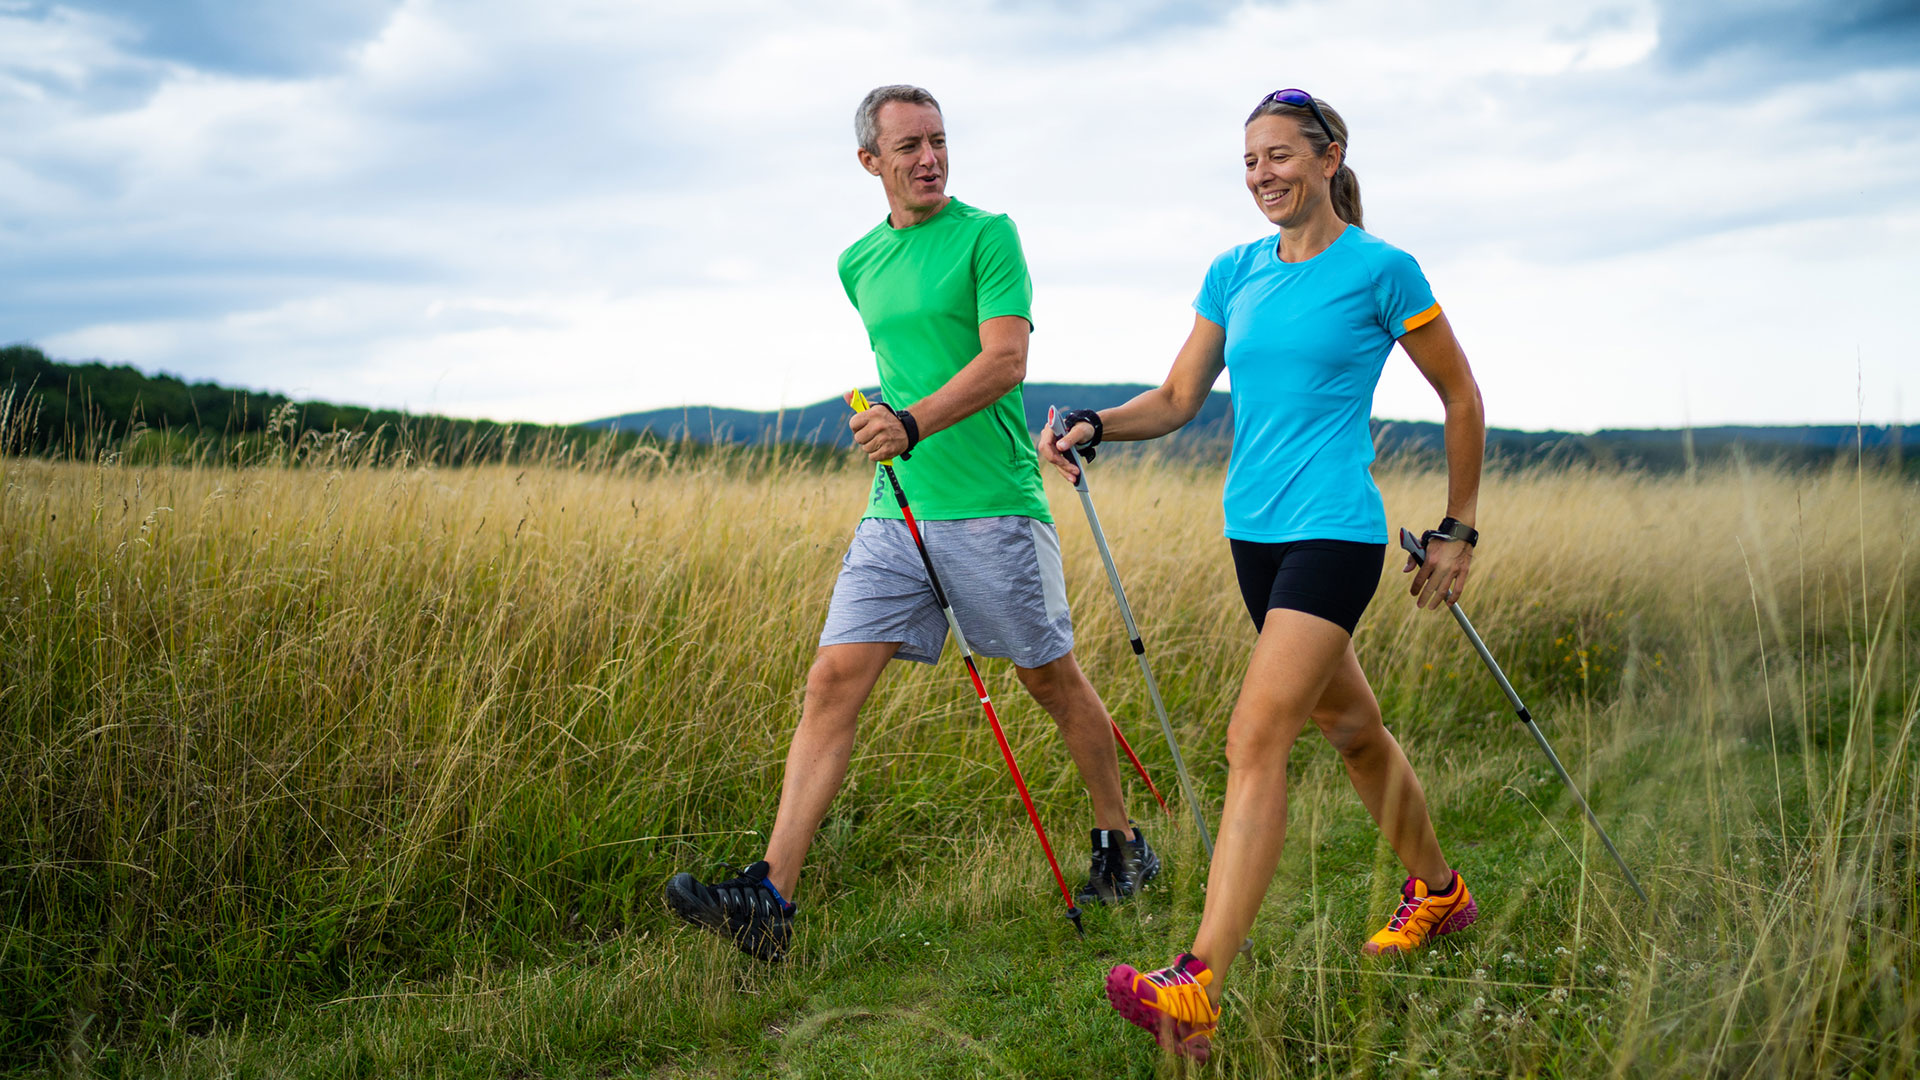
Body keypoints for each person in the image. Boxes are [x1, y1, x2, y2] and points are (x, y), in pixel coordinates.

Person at [664, 85, 1161, 961]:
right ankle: (771, 899)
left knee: (1050, 681)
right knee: (832, 680)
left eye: (938, 141)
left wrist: (915, 421)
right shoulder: (857, 262)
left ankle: (1122, 844)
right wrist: (889, 422)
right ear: (871, 163)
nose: (929, 158)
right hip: (898, 508)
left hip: (995, 505)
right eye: (909, 148)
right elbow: (904, 366)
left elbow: (1006, 361)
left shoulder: (988, 234)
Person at [1042, 90, 1486, 1062]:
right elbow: (1176, 397)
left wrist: (1458, 529)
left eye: (1280, 156)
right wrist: (1094, 423)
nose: (1263, 175)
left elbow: (1459, 395)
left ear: (1330, 159)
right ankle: (1442, 896)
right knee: (1355, 731)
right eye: (1250, 161)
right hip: (1253, 537)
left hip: (1334, 533)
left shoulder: (1381, 270)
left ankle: (1196, 984)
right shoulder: (1232, 273)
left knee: (1256, 736)